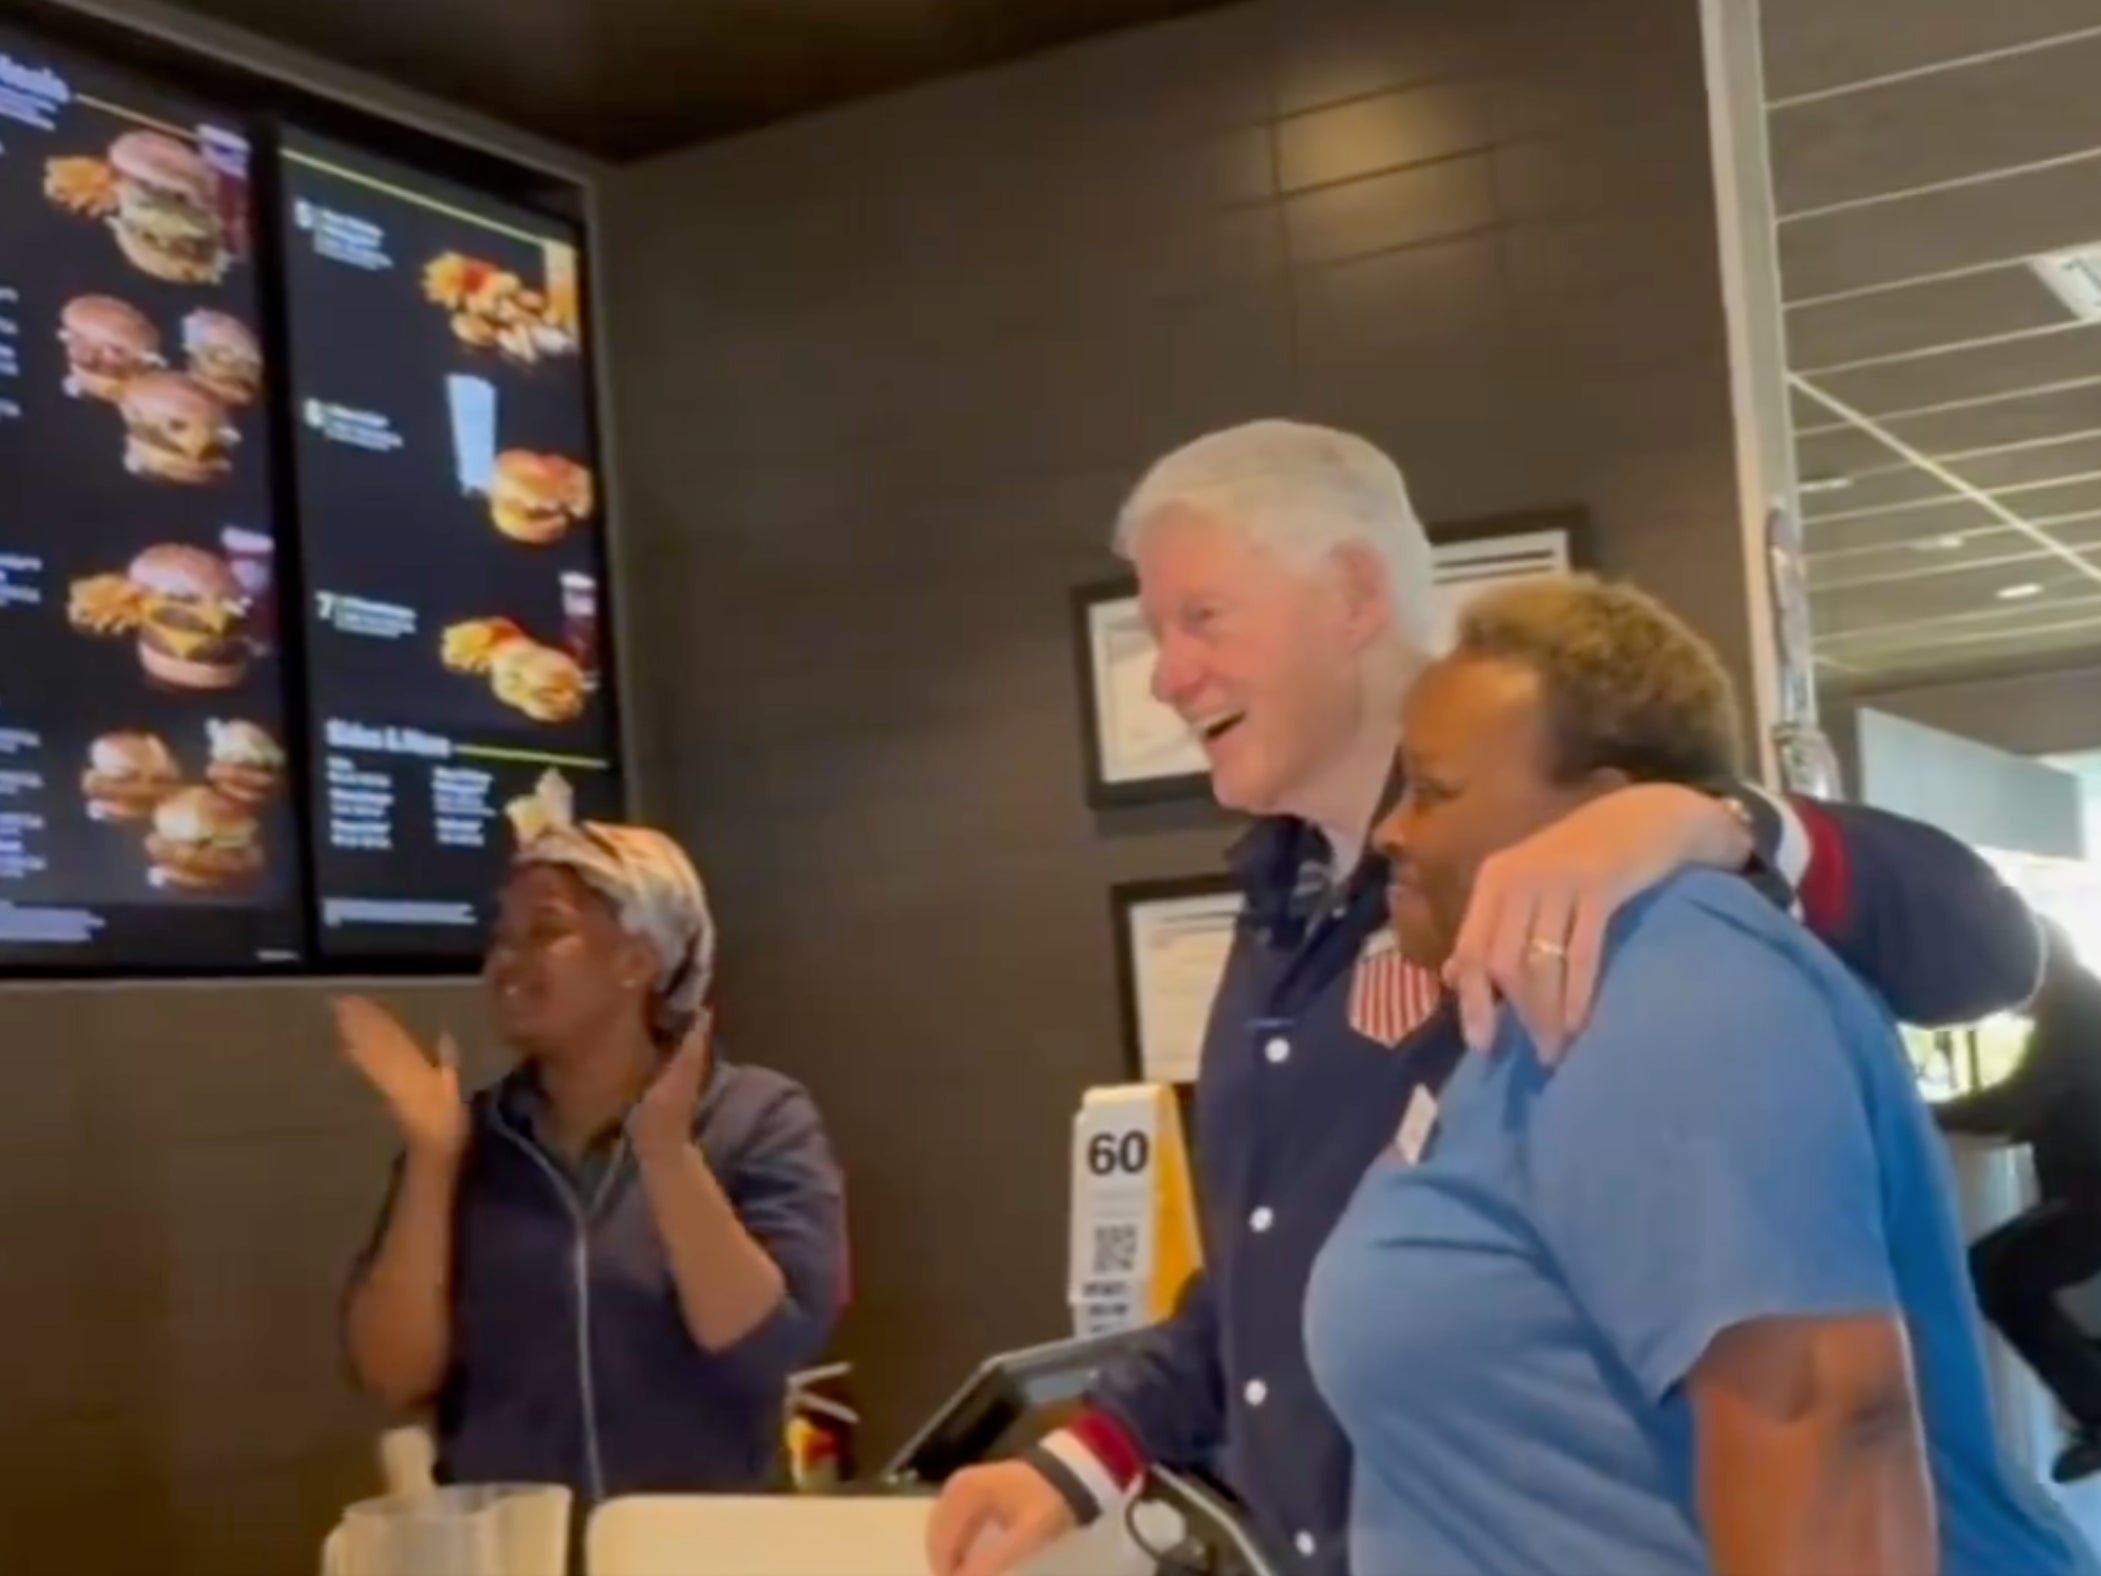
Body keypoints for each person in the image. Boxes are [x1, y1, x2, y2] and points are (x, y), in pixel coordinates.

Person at [927, 421, 2043, 1576]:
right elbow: (1275, 1261)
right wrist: (1087, 1453)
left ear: (1353, 593)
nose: (1165, 672)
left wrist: (1720, 818)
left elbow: (1986, 950)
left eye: (1201, 617)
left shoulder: (1646, 889)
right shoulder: (1286, 914)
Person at [1302, 573, 2090, 1575]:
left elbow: (1821, 1417)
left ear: (1596, 813)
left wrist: (1722, 820)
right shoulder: (1528, 1013)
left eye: (1433, 789)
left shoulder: (1672, 968)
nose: (1391, 832)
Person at [338, 818, 847, 1506]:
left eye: (544, 932)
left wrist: (666, 1154)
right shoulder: (470, 1136)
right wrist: (432, 1160)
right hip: (518, 1550)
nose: (506, 963)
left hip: (697, 1551)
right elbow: (391, 1375)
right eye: (500, 937)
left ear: (637, 960)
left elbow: (765, 1348)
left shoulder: (757, 1118)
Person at [1939, 917, 2101, 1482]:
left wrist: (1922, 1115)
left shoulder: (2079, 1012)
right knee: (1998, 1272)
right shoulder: (2077, 1007)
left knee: (1998, 1275)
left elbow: (2020, 1106)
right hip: (2086, 1191)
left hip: (2092, 1195)